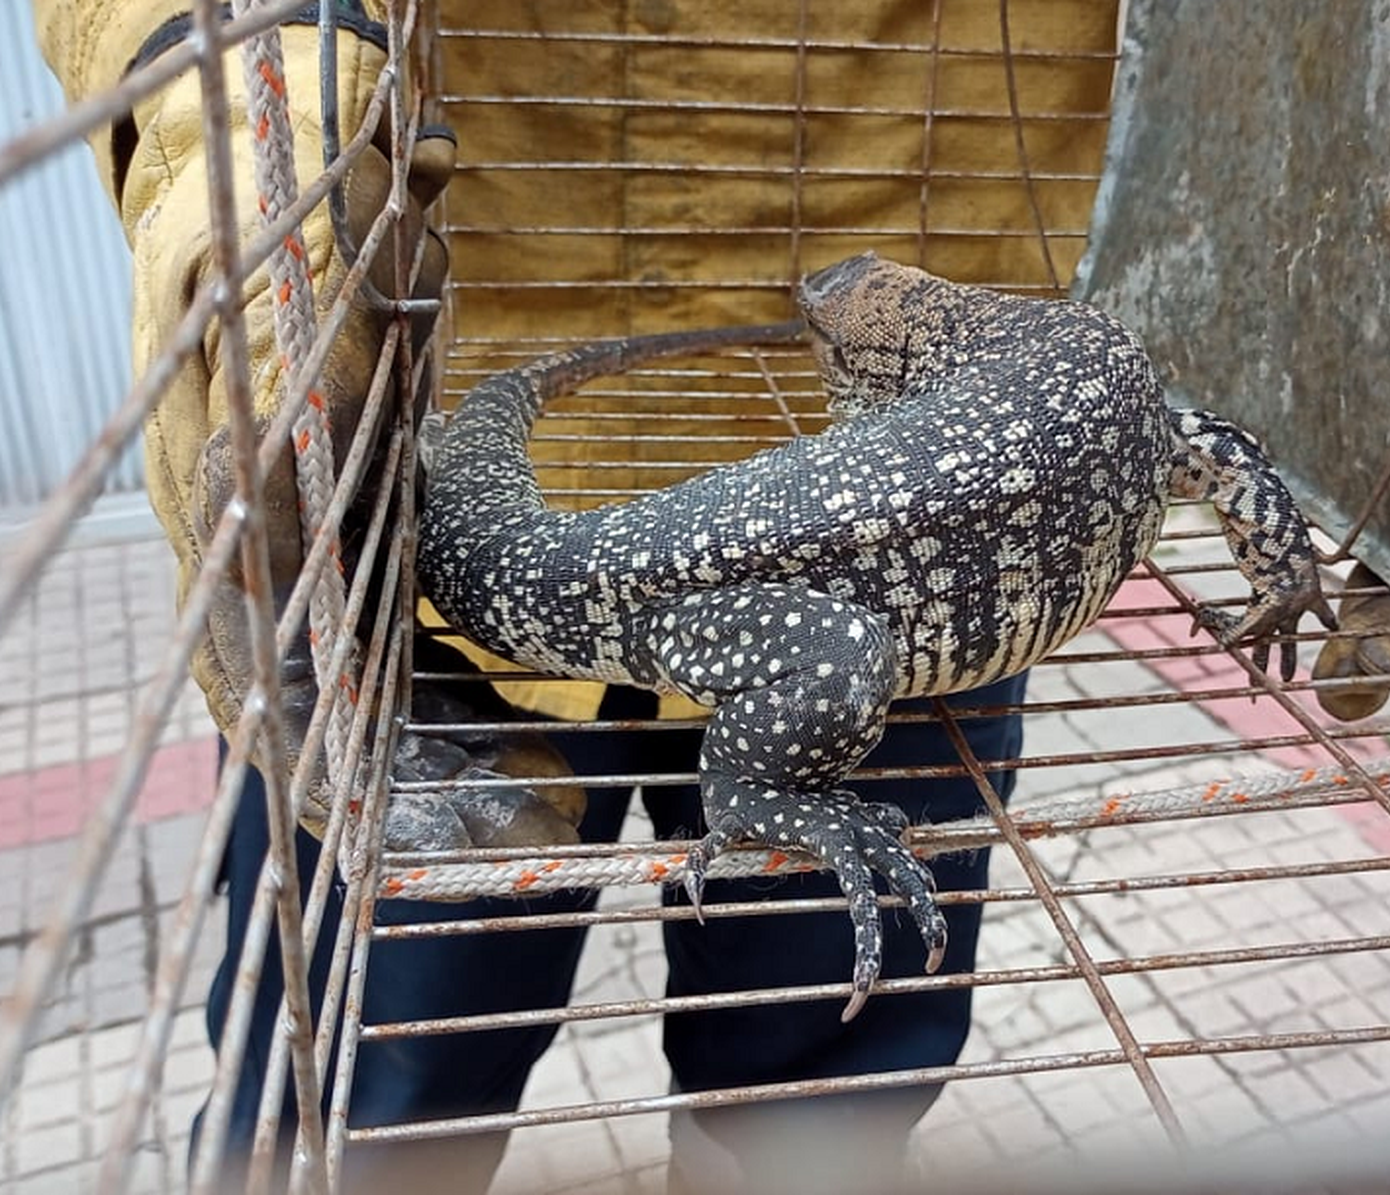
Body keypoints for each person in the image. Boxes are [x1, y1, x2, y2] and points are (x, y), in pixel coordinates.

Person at [35, 0, 1103, 1190]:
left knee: (829, 1112)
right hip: (417, 556)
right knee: (356, 1119)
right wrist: (236, 152)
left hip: (922, 535)